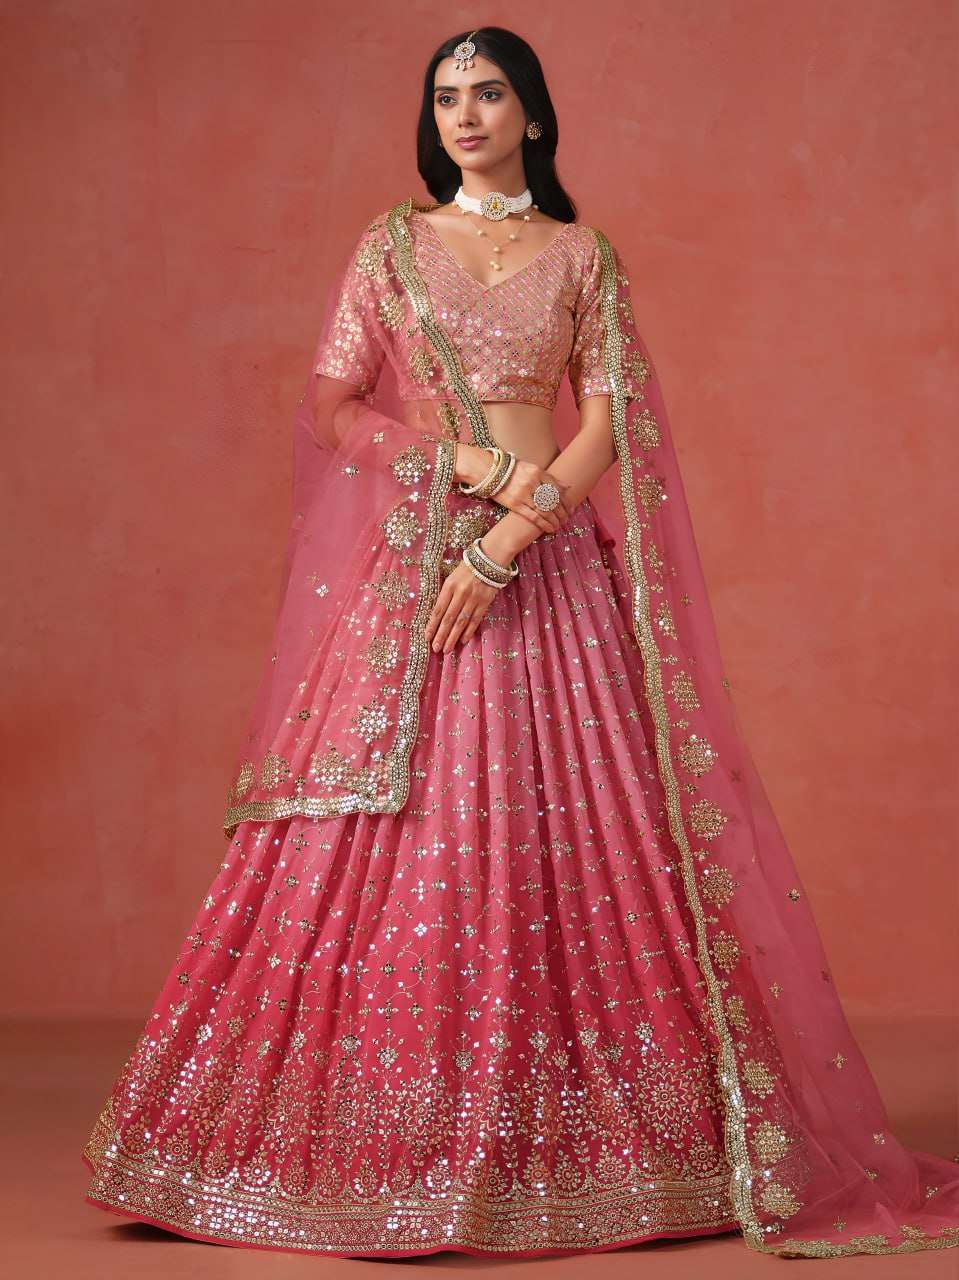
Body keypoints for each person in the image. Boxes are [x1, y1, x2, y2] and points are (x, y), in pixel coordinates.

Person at [82, 25, 959, 1262]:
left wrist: (517, 523)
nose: (465, 113)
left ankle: (610, 1154)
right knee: (396, 827)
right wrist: (460, 461)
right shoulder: (389, 246)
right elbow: (331, 404)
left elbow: (608, 420)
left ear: (532, 115)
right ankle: (373, 1146)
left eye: (488, 93)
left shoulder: (581, 256)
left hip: (543, 566)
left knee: (588, 826)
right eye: (446, 95)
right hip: (415, 571)